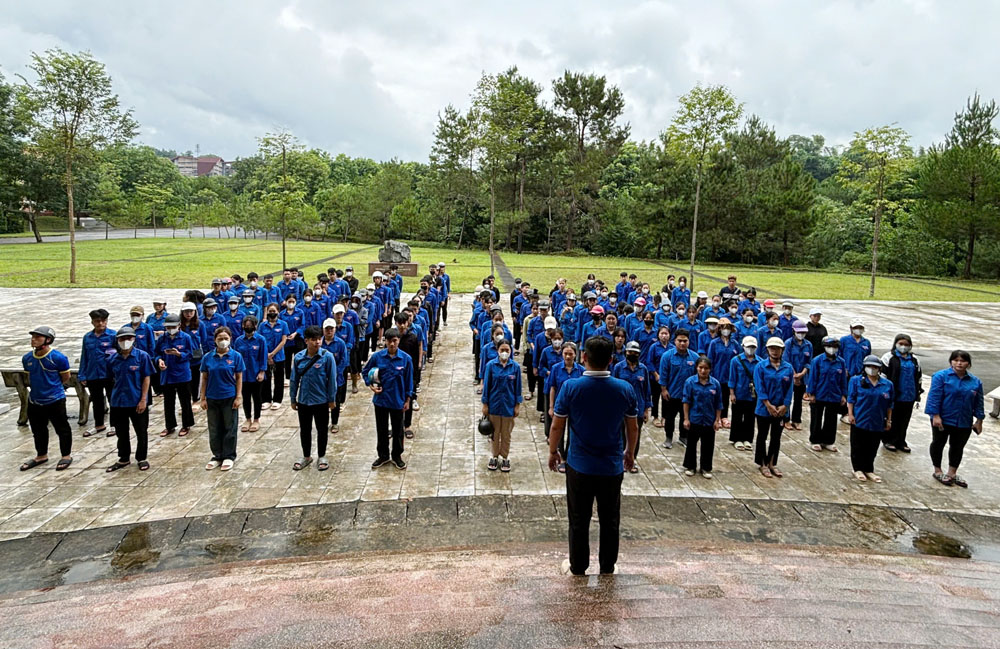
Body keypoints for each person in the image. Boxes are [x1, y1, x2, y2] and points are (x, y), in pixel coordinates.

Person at [549, 336, 639, 577]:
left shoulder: (571, 387)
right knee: (610, 519)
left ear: (584, 357)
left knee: (579, 519)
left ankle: (578, 566)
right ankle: (608, 566)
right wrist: (629, 452)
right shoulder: (624, 389)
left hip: (579, 466)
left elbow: (557, 425)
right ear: (611, 360)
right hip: (611, 466)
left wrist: (552, 451)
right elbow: (633, 427)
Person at [924, 350, 985, 488]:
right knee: (938, 443)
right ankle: (938, 470)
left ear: (968, 364)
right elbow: (934, 397)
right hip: (943, 419)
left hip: (964, 420)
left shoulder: (975, 382)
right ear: (951, 361)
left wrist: (979, 420)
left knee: (958, 447)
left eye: (962, 361)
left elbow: (978, 402)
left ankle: (952, 472)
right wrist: (935, 415)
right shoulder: (941, 377)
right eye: (956, 360)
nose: (959, 363)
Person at [19, 326, 73, 472]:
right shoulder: (27, 358)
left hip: (55, 399)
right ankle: (41, 455)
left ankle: (66, 455)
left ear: (48, 340)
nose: (33, 340)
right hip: (35, 400)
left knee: (62, 429)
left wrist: (52, 388)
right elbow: (29, 377)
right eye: (33, 337)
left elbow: (65, 377)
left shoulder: (58, 358)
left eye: (38, 337)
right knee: (38, 429)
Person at [362, 328, 414, 470]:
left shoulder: (405, 359)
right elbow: (365, 372)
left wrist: (408, 399)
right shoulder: (377, 357)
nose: (392, 344)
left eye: (395, 341)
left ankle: (397, 456)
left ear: (399, 341)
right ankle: (383, 455)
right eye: (389, 341)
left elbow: (409, 381)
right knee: (382, 429)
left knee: (398, 431)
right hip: (381, 400)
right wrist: (370, 385)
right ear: (385, 341)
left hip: (398, 400)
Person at [105, 327, 155, 472]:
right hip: (118, 401)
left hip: (136, 399)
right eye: (122, 339)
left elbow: (146, 378)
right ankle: (124, 458)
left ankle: (142, 458)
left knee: (141, 431)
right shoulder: (113, 359)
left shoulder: (142, 356)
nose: (125, 341)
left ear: (134, 340)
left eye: (129, 338)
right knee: (121, 432)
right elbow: (110, 379)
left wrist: (143, 399)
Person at [289, 325, 338, 471]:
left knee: (322, 429)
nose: (317, 342)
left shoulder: (327, 357)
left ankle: (322, 455)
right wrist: (293, 398)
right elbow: (294, 379)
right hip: (304, 400)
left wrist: (332, 399)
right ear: (306, 341)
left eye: (319, 339)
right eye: (314, 339)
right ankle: (306, 456)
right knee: (305, 429)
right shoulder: (299, 358)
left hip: (321, 400)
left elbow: (332, 380)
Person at [199, 326, 244, 471]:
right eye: (220, 339)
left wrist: (238, 396)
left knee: (229, 427)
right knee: (214, 428)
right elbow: (204, 378)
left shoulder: (236, 356)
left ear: (230, 339)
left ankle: (229, 456)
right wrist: (202, 398)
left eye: (226, 338)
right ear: (215, 340)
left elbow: (239, 378)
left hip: (229, 397)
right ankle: (217, 455)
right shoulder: (207, 357)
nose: (223, 341)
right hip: (212, 397)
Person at [846, 355, 894, 483]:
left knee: (872, 445)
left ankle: (868, 468)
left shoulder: (887, 384)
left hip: (877, 419)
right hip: (860, 417)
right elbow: (851, 399)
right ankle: (857, 468)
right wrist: (850, 414)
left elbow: (890, 404)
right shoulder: (856, 381)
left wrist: (889, 420)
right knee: (857, 444)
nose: (872, 369)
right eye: (869, 367)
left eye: (875, 367)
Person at [753, 337, 794, 478]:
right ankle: (762, 463)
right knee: (762, 436)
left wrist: (785, 405)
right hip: (764, 408)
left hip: (781, 409)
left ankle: (772, 462)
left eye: (777, 349)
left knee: (776, 437)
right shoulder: (761, 366)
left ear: (782, 350)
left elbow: (789, 389)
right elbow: (760, 387)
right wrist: (767, 404)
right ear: (767, 350)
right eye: (772, 348)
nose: (775, 351)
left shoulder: (788, 368)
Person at [481, 339, 522, 472]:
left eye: (507, 350)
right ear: (497, 351)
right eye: (502, 350)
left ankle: (505, 457)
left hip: (508, 406)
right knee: (494, 433)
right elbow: (486, 386)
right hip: (494, 405)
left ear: (511, 351)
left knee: (506, 434)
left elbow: (518, 388)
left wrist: (517, 405)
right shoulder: (491, 366)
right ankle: (494, 456)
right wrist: (485, 404)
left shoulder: (515, 367)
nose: (504, 353)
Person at [612, 341, 651, 473]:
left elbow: (647, 390)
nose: (632, 354)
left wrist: (646, 409)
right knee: (620, 435)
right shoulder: (618, 368)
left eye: (635, 353)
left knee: (635, 435)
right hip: (620, 409)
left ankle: (632, 460)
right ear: (625, 353)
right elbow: (613, 387)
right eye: (630, 352)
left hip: (637, 409)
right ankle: (620, 460)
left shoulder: (643, 369)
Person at [879, 333, 922, 453]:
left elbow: (918, 377)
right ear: (895, 344)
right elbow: (883, 376)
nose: (903, 346)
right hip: (894, 394)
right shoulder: (888, 357)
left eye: (907, 344)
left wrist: (918, 393)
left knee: (904, 420)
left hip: (909, 395)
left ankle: (901, 441)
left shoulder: (914, 360)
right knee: (891, 418)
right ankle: (888, 440)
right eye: (901, 344)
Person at [155, 314, 196, 437]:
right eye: (168, 327)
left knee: (185, 401)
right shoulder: (162, 338)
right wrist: (159, 361)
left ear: (179, 325)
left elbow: (190, 354)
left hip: (182, 373)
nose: (170, 329)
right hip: (167, 374)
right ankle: (170, 425)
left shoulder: (186, 338)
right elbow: (156, 353)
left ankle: (186, 424)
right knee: (168, 402)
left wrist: (179, 354)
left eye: (173, 326)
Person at [805, 336, 848, 452]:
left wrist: (844, 395)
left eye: (834, 347)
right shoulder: (817, 361)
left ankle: (828, 441)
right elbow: (812, 378)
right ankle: (815, 440)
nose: (832, 349)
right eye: (829, 346)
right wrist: (811, 393)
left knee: (831, 418)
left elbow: (843, 380)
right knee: (816, 418)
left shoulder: (841, 362)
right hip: (819, 393)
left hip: (834, 395)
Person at [682, 356, 722, 479]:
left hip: (709, 420)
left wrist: (717, 420)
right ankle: (690, 466)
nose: (703, 371)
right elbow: (686, 401)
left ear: (710, 369)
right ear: (696, 368)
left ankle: (706, 467)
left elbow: (718, 403)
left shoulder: (715, 384)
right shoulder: (690, 382)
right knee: (691, 444)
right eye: (700, 368)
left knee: (708, 445)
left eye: (706, 368)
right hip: (695, 418)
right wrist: (686, 418)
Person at [546, 341, 584, 471]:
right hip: (560, 405)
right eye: (565, 353)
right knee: (559, 430)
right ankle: (561, 456)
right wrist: (551, 406)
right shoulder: (556, 368)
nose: (568, 356)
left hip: (576, 407)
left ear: (575, 355)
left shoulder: (581, 370)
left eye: (570, 354)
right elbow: (552, 388)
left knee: (573, 431)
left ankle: (569, 456)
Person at [79, 308, 116, 437]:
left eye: (103, 321)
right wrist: (82, 374)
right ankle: (99, 424)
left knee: (113, 399)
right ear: (92, 322)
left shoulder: (113, 336)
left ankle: (114, 425)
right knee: (97, 401)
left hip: (109, 374)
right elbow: (84, 356)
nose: (100, 324)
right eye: (97, 321)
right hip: (93, 374)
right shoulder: (87, 337)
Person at [659, 329, 698, 449]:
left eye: (685, 341)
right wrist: (664, 390)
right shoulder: (667, 356)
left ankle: (683, 437)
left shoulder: (694, 357)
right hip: (672, 393)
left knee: (685, 417)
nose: (682, 343)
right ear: (674, 341)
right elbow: (663, 375)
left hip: (688, 395)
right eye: (679, 341)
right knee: (669, 417)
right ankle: (668, 438)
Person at [233, 315, 268, 433]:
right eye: (245, 326)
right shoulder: (238, 341)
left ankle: (256, 419)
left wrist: (262, 372)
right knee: (246, 397)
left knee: (257, 397)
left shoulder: (260, 340)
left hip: (256, 373)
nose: (247, 328)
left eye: (250, 326)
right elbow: (236, 358)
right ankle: (247, 418)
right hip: (243, 375)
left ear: (254, 326)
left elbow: (263, 357)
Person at [728, 336, 760, 451]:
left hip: (753, 394)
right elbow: (732, 378)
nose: (750, 349)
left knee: (750, 417)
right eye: (748, 347)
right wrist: (732, 393)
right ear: (743, 347)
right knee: (737, 416)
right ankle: (736, 439)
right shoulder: (735, 360)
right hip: (739, 392)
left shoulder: (759, 361)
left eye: (752, 347)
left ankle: (747, 439)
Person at [784, 320, 812, 431]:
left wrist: (802, 373)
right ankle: (786, 419)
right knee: (787, 399)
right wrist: (795, 375)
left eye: (803, 332)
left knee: (798, 400)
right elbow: (786, 360)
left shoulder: (808, 345)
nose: (801, 335)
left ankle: (796, 420)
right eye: (799, 332)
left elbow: (808, 361)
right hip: (790, 376)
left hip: (802, 376)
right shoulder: (788, 343)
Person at [259, 302, 288, 410]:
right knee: (266, 378)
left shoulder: (283, 324)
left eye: (274, 311)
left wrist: (273, 354)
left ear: (278, 312)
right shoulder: (262, 326)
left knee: (279, 379)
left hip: (279, 356)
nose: (272, 313)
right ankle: (266, 400)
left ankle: (277, 400)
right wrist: (267, 355)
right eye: (270, 311)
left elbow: (283, 341)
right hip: (265, 356)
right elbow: (261, 341)